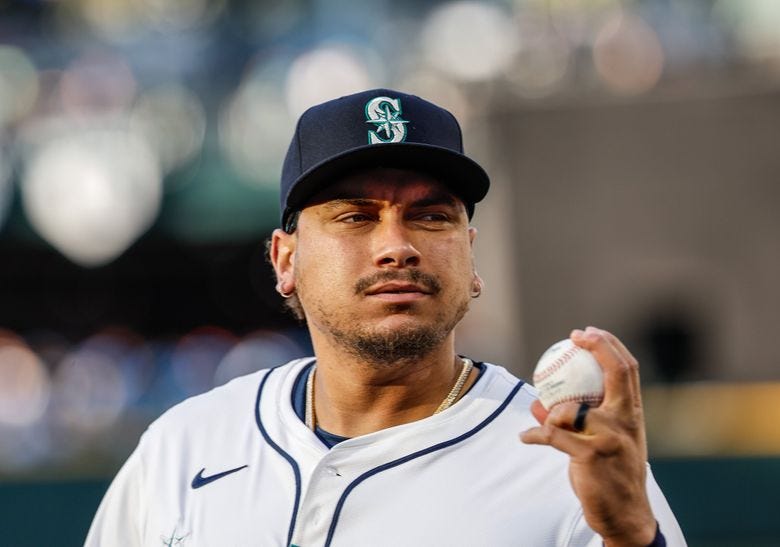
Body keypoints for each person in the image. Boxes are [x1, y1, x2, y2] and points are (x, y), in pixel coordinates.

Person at [85, 89, 686, 546]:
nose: (397, 245)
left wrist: (633, 536)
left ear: (472, 257)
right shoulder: (185, 446)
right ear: (285, 258)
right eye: (356, 217)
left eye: (431, 217)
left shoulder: (565, 469)